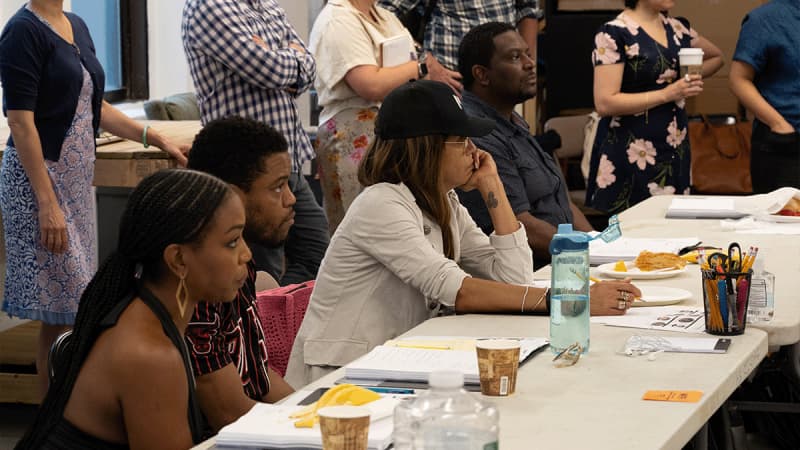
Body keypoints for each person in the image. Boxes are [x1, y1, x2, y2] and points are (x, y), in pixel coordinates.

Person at [285, 80, 641, 387]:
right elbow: (457, 290)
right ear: (426, 146)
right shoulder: (381, 203)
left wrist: (493, 186)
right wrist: (568, 301)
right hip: (341, 376)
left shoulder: (445, 202)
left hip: (398, 361)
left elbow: (512, 277)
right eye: (463, 140)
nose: (475, 151)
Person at [0, 0, 189, 397]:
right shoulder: (23, 31)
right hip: (40, 186)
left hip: (74, 185)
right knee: (63, 308)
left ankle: (66, 409)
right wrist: (47, 203)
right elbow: (20, 121)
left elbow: (95, 106)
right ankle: (57, 415)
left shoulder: (77, 25)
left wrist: (152, 136)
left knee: (74, 303)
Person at [15, 169, 250, 449]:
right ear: (178, 259)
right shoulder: (150, 356)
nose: (246, 254)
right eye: (232, 242)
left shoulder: (149, 317)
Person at [182, 0, 330, 285]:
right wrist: (288, 59)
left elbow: (311, 68)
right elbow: (267, 69)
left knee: (317, 255)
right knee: (261, 268)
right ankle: (258, 325)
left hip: (288, 158)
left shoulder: (267, 4)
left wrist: (281, 59)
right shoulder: (208, 5)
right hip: (247, 169)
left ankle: (280, 320)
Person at [185, 117, 297, 431]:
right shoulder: (198, 282)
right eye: (278, 187)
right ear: (232, 194)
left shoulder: (239, 265)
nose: (291, 199)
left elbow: (258, 379)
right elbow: (228, 413)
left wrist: (315, 415)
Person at [310, 0, 456, 233]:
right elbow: (370, 84)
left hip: (393, 130)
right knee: (360, 226)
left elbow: (414, 55)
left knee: (397, 222)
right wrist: (421, 68)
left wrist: (422, 66)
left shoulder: (383, 16)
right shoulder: (338, 19)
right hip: (353, 131)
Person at [456, 22, 594, 268]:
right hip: (529, 273)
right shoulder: (478, 134)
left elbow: (562, 202)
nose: (530, 64)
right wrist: (586, 253)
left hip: (563, 260)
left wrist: (599, 245)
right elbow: (518, 224)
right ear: (482, 74)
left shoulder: (515, 121)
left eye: (528, 54)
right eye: (515, 57)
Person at [586, 0, 723, 214]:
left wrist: (688, 77)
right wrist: (668, 93)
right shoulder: (614, 32)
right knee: (634, 229)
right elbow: (604, 102)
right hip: (631, 148)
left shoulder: (678, 28)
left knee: (675, 228)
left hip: (674, 145)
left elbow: (717, 58)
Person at [729, 0, 800, 193]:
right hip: (786, 144)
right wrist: (778, 124)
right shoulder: (765, 19)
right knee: (784, 219)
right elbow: (739, 79)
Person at [379, 0, 542, 76]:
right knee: (452, 143)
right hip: (452, 79)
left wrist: (525, 61)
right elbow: (381, 14)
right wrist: (423, 59)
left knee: (500, 142)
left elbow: (527, 9)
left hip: (502, 80)